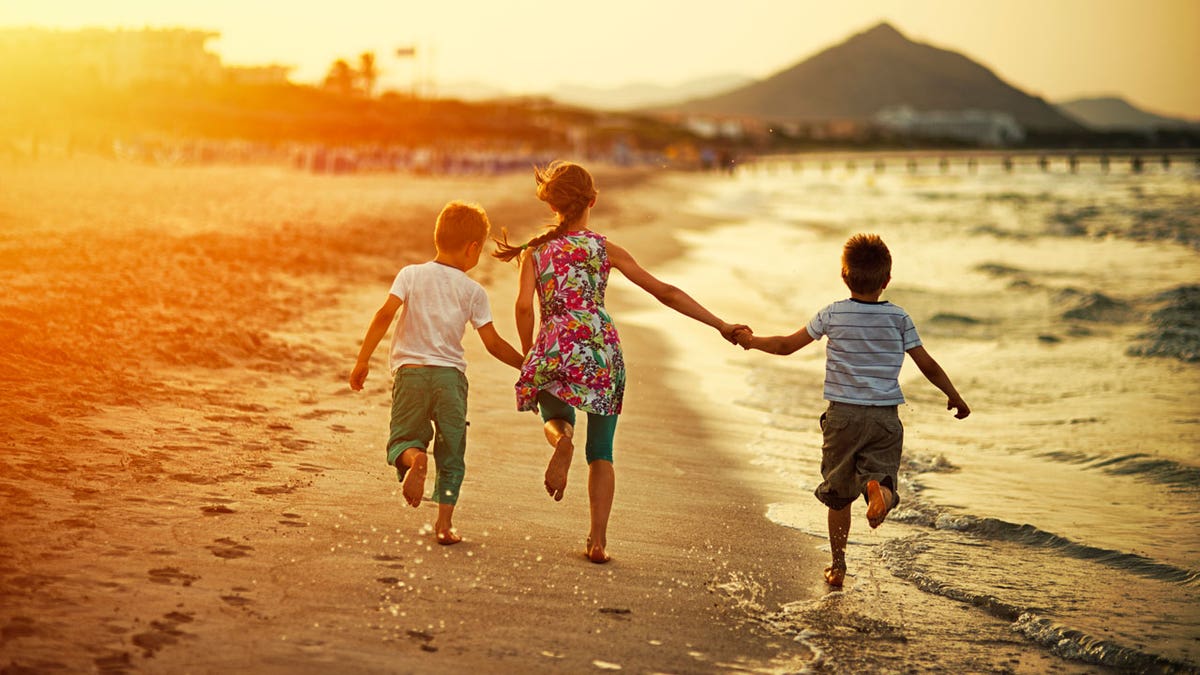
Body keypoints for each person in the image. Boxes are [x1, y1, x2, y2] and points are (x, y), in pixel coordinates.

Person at [493, 160, 743, 564]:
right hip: (600, 346)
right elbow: (666, 291)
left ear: (554, 204)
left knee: (553, 414)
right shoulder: (604, 248)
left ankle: (562, 440)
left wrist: (531, 354)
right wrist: (720, 324)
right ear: (593, 200)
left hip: (557, 343)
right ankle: (597, 540)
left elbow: (524, 307)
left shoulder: (536, 252)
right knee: (602, 451)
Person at [733, 233, 969, 587]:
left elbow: (785, 346)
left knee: (839, 496)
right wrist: (953, 395)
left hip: (842, 417)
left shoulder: (833, 313)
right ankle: (878, 491)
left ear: (844, 275)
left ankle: (838, 566)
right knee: (885, 477)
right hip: (884, 418)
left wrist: (751, 341)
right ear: (887, 280)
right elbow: (927, 364)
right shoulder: (899, 318)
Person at [350, 201, 524, 545]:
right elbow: (492, 343)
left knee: (403, 438)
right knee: (451, 452)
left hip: (411, 375)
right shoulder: (474, 292)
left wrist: (362, 359)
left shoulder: (410, 274)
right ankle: (444, 525)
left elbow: (384, 315)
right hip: (450, 381)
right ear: (472, 249)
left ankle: (415, 459)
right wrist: (527, 366)